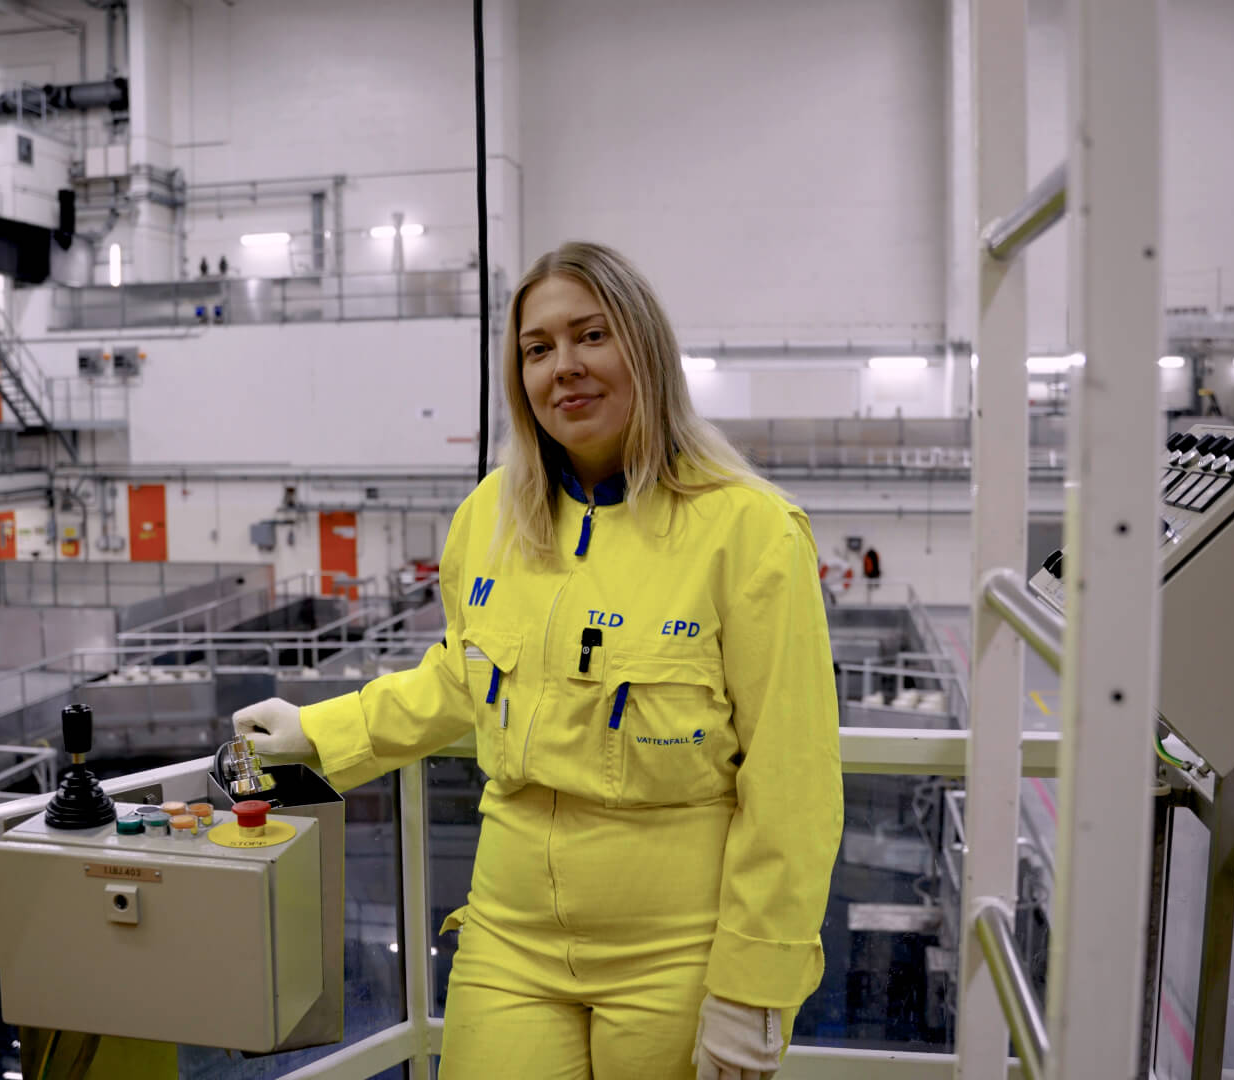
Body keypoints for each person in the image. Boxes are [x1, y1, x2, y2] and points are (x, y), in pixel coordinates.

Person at [235, 241, 842, 1080]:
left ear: (645, 347)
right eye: (537, 348)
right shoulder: (491, 516)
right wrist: (318, 732)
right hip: (510, 936)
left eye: (592, 335)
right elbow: (461, 676)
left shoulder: (749, 531)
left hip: (678, 949)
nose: (565, 367)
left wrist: (754, 988)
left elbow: (793, 779)